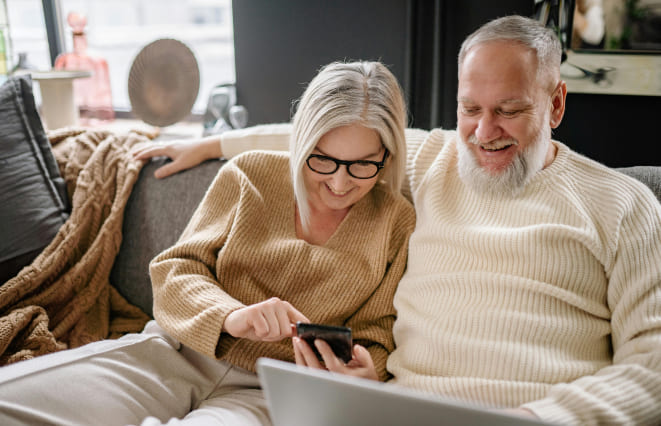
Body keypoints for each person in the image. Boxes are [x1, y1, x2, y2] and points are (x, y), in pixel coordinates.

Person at [134, 15, 661, 425]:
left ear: (556, 104)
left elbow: (653, 364)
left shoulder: (624, 205)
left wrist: (538, 418)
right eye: (470, 108)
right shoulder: (436, 160)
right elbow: (330, 132)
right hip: (394, 412)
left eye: (509, 110)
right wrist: (214, 143)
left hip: (536, 415)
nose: (484, 132)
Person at [0, 61, 415, 425]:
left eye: (363, 165)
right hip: (175, 353)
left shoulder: (396, 221)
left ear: (388, 157)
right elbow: (175, 270)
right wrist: (232, 316)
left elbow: (378, 333)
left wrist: (366, 375)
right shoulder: (249, 174)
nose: (340, 184)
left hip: (269, 392)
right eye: (322, 159)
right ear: (301, 142)